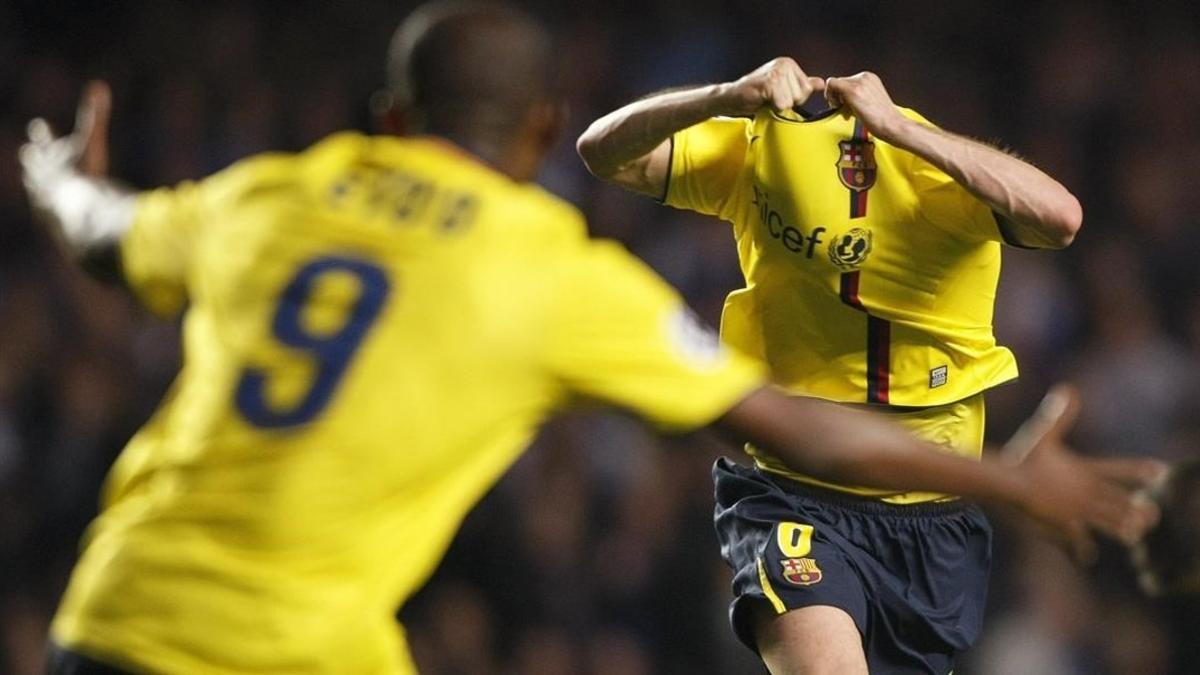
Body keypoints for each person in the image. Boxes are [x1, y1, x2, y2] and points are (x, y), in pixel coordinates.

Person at [20, 6, 1157, 674]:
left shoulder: (274, 193)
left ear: (392, 118)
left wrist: (55, 173)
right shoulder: (550, 271)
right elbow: (792, 429)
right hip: (301, 648)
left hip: (121, 607)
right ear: (536, 130)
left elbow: (100, 230)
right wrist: (1007, 483)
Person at [578, 58, 1099, 673]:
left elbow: (1061, 216)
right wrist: (721, 95)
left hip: (932, 516)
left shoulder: (941, 179)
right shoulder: (757, 149)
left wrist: (902, 130)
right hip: (789, 491)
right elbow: (603, 151)